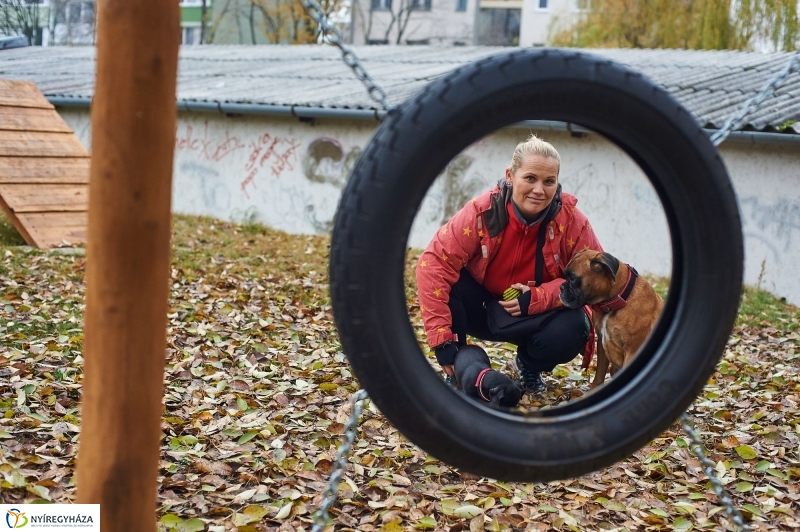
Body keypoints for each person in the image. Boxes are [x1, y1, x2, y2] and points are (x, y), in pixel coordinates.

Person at [415, 133, 602, 393]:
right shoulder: (482, 212)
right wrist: (441, 341)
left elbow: (594, 279)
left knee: (575, 325)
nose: (539, 190)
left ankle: (528, 365)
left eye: (549, 181)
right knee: (449, 278)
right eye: (530, 178)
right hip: (479, 308)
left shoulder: (572, 222)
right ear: (510, 176)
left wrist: (538, 298)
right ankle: (458, 366)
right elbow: (433, 263)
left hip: (532, 316)